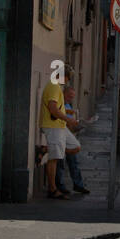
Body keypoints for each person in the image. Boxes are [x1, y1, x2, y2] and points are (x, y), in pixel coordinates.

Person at [39, 70, 74, 199]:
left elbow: (56, 107)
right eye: (67, 77)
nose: (67, 81)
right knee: (53, 159)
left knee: (55, 157)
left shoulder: (54, 86)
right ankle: (52, 189)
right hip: (53, 127)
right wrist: (67, 119)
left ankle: (44, 150)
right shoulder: (54, 86)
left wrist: (68, 112)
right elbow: (53, 108)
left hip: (55, 126)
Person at [56, 85, 90, 194]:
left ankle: (78, 184)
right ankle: (59, 185)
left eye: (72, 97)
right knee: (60, 161)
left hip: (69, 135)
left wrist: (80, 125)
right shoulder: (60, 104)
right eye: (69, 96)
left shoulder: (68, 106)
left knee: (73, 161)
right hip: (60, 134)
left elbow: (71, 124)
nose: (71, 99)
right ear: (64, 94)